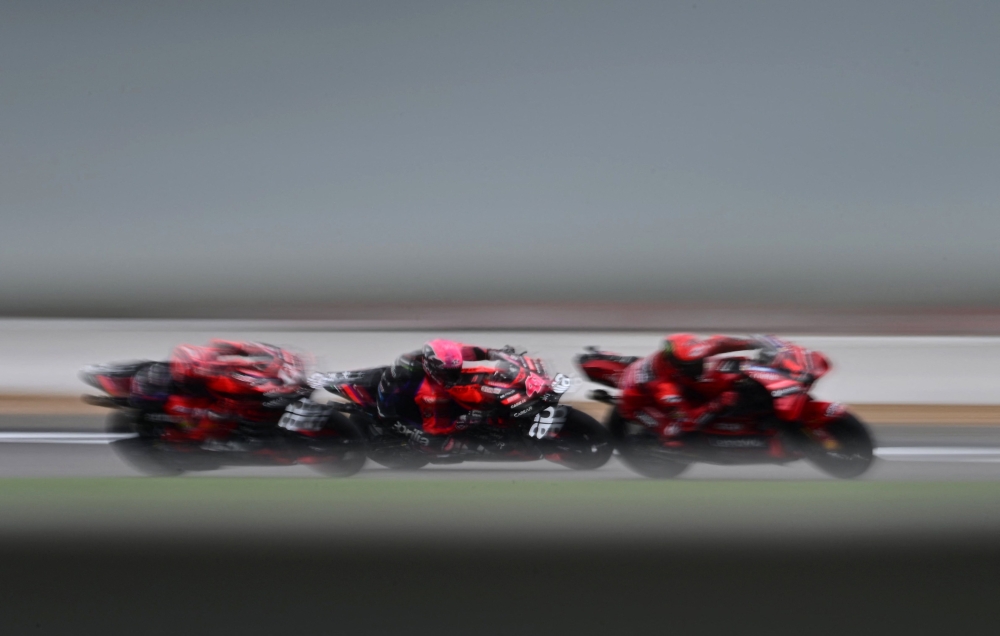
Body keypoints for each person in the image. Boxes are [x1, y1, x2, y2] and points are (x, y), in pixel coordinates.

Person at [376, 339, 539, 452]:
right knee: (436, 444)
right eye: (449, 373)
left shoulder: (450, 354)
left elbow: (480, 352)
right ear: (433, 368)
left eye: (456, 369)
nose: (454, 375)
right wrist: (467, 421)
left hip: (408, 380)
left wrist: (502, 353)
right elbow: (436, 427)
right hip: (388, 408)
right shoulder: (428, 391)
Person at [134, 339, 307, 440]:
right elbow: (200, 428)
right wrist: (214, 416)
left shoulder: (211, 356)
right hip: (207, 419)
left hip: (229, 383)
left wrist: (274, 354)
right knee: (209, 427)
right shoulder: (181, 399)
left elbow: (240, 347)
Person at [618, 333, 761, 439]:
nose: (700, 365)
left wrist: (754, 342)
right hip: (638, 403)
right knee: (675, 433)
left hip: (660, 380)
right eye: (693, 365)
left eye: (700, 360)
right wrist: (718, 403)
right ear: (677, 366)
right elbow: (687, 420)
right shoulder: (665, 388)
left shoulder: (685, 354)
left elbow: (720, 342)